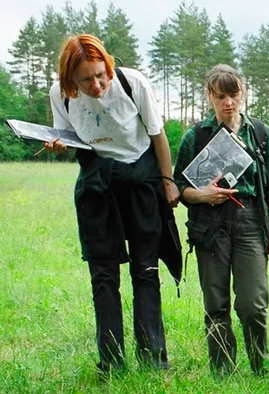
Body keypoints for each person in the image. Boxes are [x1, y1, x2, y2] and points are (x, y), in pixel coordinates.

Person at [46, 34, 181, 374]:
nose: (97, 84)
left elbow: (157, 135)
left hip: (141, 181)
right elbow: (68, 137)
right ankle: (112, 363)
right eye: (86, 79)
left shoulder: (131, 82)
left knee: (145, 272)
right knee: (103, 276)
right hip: (97, 185)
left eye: (100, 74)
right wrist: (59, 145)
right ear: (69, 80)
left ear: (108, 65)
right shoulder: (60, 94)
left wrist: (168, 182)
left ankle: (153, 361)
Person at [173, 65, 269, 377]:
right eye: (220, 95)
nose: (228, 102)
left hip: (251, 220)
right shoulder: (195, 138)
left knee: (253, 303)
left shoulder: (262, 135)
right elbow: (178, 189)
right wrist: (203, 196)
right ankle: (222, 370)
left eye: (233, 94)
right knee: (216, 301)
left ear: (243, 93)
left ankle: (261, 363)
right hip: (209, 224)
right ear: (209, 95)